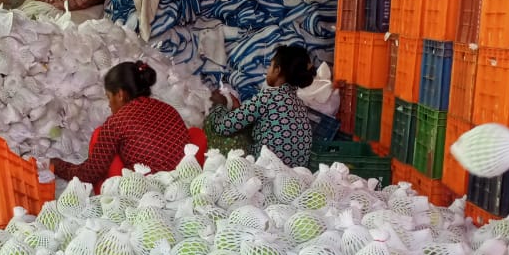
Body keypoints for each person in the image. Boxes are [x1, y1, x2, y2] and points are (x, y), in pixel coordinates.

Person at [50, 61, 204, 190]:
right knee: (195, 134)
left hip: (144, 192)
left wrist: (59, 166)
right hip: (181, 186)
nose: (109, 105)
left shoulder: (116, 122)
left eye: (109, 97)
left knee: (100, 136)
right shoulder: (168, 109)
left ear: (120, 94)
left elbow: (89, 174)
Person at [205, 44, 316, 168]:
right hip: (297, 173)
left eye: (270, 65)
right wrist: (239, 109)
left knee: (219, 129)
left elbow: (223, 126)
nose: (268, 70)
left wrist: (220, 105)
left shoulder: (268, 97)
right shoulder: (299, 104)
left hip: (267, 172)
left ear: (277, 70)